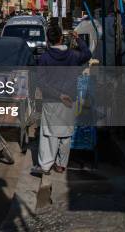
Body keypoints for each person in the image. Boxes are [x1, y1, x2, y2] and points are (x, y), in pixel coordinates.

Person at [31, 27, 92, 176]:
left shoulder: (44, 58)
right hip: (70, 100)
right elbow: (88, 54)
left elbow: (41, 81)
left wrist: (58, 95)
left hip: (52, 100)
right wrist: (78, 38)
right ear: (61, 38)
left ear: (48, 40)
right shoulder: (73, 55)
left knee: (49, 134)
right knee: (66, 134)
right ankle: (61, 165)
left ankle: (45, 166)